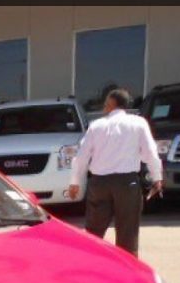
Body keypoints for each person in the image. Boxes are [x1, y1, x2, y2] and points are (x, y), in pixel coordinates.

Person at [67, 88, 163, 257]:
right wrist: (157, 178)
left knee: (94, 231)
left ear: (111, 104)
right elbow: (150, 153)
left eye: (105, 103)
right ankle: (127, 271)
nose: (104, 107)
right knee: (128, 231)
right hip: (127, 183)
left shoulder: (96, 126)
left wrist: (75, 182)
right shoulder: (138, 123)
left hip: (99, 184)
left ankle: (91, 266)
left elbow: (81, 156)